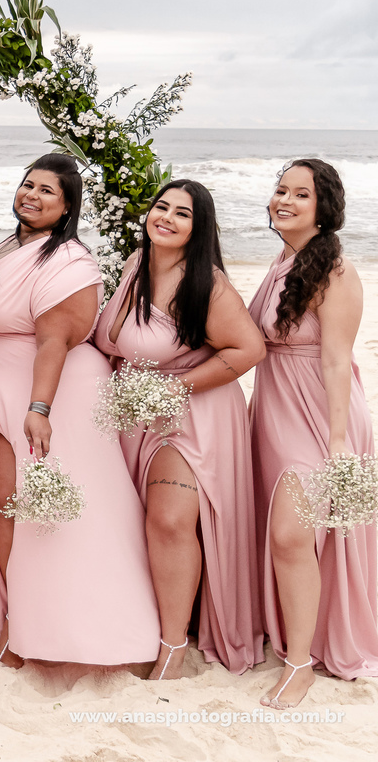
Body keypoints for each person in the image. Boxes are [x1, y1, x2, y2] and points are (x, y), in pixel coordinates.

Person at [0, 153, 159, 667]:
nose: (32, 196)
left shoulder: (70, 262)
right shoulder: (5, 248)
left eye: (47, 191)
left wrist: (39, 406)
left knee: (28, 507)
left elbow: (54, 342)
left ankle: (44, 625)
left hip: (44, 396)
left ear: (67, 208)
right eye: (28, 185)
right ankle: (9, 618)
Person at [94, 180, 265, 678]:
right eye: (161, 206)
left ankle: (173, 647)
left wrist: (176, 389)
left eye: (182, 214)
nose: (165, 217)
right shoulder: (134, 265)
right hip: (136, 411)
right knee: (142, 521)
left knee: (169, 520)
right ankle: (153, 621)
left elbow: (248, 350)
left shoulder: (205, 283)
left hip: (194, 413)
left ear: (198, 228)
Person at [249, 159, 378, 709]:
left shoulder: (338, 271)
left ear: (323, 208)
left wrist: (340, 441)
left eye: (300, 194)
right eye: (281, 190)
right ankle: (297, 643)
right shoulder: (281, 261)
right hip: (273, 408)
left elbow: (335, 361)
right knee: (287, 534)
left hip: (320, 414)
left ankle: (300, 665)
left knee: (290, 535)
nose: (285, 200)